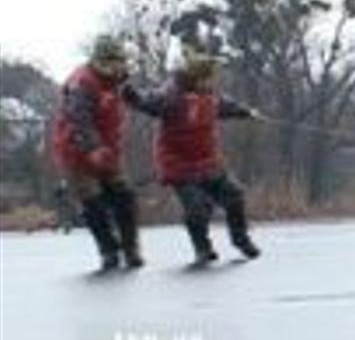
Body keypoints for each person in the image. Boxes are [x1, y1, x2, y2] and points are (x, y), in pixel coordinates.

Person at [122, 47, 262, 265]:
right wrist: (133, 96)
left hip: (208, 161)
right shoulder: (172, 96)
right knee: (197, 207)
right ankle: (202, 248)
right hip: (179, 165)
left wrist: (246, 112)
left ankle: (241, 239)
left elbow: (226, 106)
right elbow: (149, 100)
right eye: (208, 78)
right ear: (196, 78)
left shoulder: (210, 96)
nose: (212, 82)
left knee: (234, 195)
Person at [51, 34, 144, 270]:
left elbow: (138, 100)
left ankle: (131, 248)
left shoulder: (118, 82)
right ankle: (108, 250)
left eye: (119, 61)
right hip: (76, 152)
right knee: (93, 202)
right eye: (112, 61)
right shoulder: (82, 83)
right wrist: (93, 147)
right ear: (99, 60)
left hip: (108, 150)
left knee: (125, 196)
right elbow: (78, 119)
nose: (117, 67)